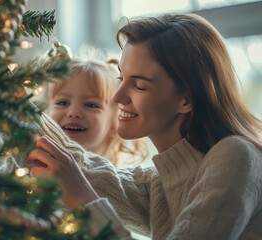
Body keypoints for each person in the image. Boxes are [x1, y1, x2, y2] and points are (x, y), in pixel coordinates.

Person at [26, 13, 262, 239]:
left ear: (186, 100)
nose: (117, 97)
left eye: (139, 85)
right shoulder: (158, 181)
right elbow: (83, 171)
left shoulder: (235, 155)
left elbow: (83, 185)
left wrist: (83, 200)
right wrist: (13, 102)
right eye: (121, 78)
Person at [36, 54, 148, 167]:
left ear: (115, 124)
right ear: (45, 113)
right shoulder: (27, 169)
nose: (73, 113)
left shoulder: (116, 182)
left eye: (91, 105)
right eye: (63, 103)